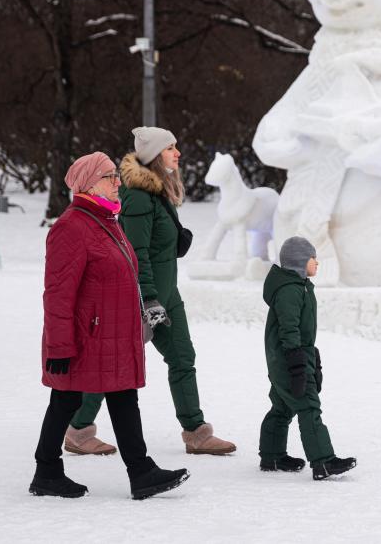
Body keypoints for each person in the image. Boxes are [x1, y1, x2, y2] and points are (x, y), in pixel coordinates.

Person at [64, 128, 236, 456]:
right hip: (143, 298)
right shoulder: (139, 195)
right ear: (156, 155)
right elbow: (136, 251)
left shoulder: (158, 190)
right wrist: (150, 299)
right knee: (112, 366)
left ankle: (196, 432)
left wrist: (177, 239)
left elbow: (158, 243)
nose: (177, 153)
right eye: (170, 148)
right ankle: (78, 430)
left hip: (167, 294)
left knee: (183, 357)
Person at [31, 151, 189, 499]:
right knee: (65, 402)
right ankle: (46, 471)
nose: (118, 183)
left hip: (112, 334)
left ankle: (141, 471)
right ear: (89, 184)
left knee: (122, 398)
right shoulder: (71, 227)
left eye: (116, 176)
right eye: (109, 177)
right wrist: (60, 347)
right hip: (86, 338)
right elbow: (57, 295)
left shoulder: (107, 222)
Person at [259, 236, 356, 480]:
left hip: (289, 355)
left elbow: (302, 329)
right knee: (308, 405)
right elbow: (289, 328)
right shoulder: (290, 290)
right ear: (301, 262)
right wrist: (297, 362)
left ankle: (272, 456)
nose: (318, 263)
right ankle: (323, 462)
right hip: (288, 357)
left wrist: (313, 357)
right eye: (314, 258)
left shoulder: (298, 286)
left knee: (282, 406)